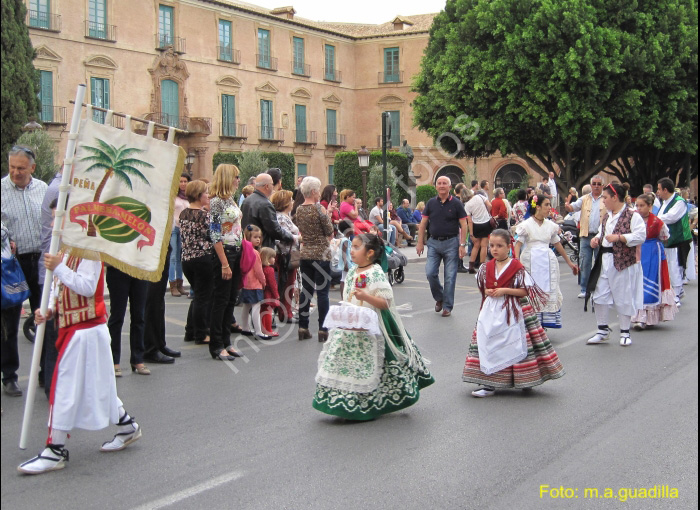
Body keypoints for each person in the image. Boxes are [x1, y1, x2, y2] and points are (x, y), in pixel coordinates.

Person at [18, 223, 141, 474]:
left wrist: (58, 268)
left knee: (63, 387)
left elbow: (86, 286)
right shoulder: (65, 250)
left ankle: (55, 449)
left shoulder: (89, 251)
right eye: (53, 220)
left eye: (59, 220)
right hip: (72, 329)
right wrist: (48, 310)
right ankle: (127, 426)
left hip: (87, 331)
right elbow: (59, 290)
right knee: (100, 386)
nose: (53, 226)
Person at [313, 233, 434, 419]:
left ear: (370, 253)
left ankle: (367, 403)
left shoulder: (375, 273)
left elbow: (386, 302)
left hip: (371, 327)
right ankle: (344, 402)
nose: (351, 251)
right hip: (350, 326)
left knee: (369, 365)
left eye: (355, 247)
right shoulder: (353, 271)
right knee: (344, 363)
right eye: (351, 247)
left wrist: (366, 297)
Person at [462, 229, 565, 397]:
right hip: (491, 311)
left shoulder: (516, 267)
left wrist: (505, 290)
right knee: (489, 341)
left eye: (499, 246)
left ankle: (525, 379)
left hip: (514, 309)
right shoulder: (486, 267)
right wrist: (488, 291)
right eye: (492, 246)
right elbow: (484, 287)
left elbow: (525, 291)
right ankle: (489, 383)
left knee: (517, 342)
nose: (494, 249)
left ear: (509, 247)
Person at [1, 146, 48, 396]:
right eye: (12, 167)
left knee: (44, 317)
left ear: (32, 167)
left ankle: (45, 372)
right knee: (8, 321)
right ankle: (9, 376)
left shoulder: (43, 189)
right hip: (12, 265)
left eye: (21, 168)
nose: (16, 172)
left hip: (41, 262)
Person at [585, 183, 646, 347]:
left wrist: (620, 238)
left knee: (623, 295)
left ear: (614, 197)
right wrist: (596, 239)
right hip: (605, 260)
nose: (603, 201)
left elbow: (641, 236)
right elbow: (601, 232)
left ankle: (625, 332)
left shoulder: (632, 215)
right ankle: (602, 329)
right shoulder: (607, 216)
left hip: (622, 261)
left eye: (605, 197)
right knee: (599, 294)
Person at [515, 194, 579, 329]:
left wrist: (569, 262)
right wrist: (516, 263)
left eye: (550, 205)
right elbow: (518, 244)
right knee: (531, 290)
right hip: (530, 261)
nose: (550, 207)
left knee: (547, 289)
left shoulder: (550, 225)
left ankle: (543, 323)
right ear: (537, 207)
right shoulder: (526, 225)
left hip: (547, 261)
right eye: (547, 205)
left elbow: (557, 244)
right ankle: (532, 323)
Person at [416, 176, 468, 317]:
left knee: (450, 276)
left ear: (450, 187)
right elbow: (423, 224)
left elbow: (464, 225)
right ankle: (439, 297)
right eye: (439, 183)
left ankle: (447, 307)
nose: (442, 185)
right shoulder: (431, 203)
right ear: (436, 187)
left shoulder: (457, 204)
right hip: (433, 243)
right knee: (430, 273)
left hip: (452, 243)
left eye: (445, 183)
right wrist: (420, 242)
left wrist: (462, 245)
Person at [208, 164, 244, 361]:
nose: (238, 180)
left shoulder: (229, 199)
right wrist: (223, 262)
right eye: (235, 177)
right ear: (227, 178)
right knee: (220, 300)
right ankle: (217, 345)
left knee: (231, 299)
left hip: (236, 251)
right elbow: (214, 234)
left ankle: (227, 341)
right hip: (225, 253)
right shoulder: (215, 203)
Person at [294, 177, 334, 342]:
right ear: (312, 191)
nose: (319, 193)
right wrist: (328, 214)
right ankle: (323, 329)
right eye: (318, 190)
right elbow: (329, 231)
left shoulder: (299, 210)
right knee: (323, 293)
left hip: (306, 254)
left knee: (306, 290)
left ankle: (303, 327)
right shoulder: (319, 209)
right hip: (321, 254)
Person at [631, 194, 677, 329]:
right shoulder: (633, 219)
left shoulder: (657, 221)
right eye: (637, 205)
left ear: (650, 206)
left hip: (652, 253)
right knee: (636, 282)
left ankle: (644, 318)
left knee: (648, 282)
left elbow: (665, 235)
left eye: (642, 205)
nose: (638, 208)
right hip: (637, 252)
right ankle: (637, 316)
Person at [180, 180, 214, 345]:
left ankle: (190, 330)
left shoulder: (183, 214)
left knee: (198, 295)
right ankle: (201, 333)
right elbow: (216, 235)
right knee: (203, 297)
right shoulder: (205, 215)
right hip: (203, 258)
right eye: (206, 193)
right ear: (199, 195)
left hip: (187, 259)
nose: (208, 196)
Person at [656, 177, 695, 304]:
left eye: (659, 189)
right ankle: (677, 290)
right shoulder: (665, 202)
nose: (658, 192)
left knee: (675, 267)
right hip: (667, 240)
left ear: (665, 190)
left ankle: (677, 294)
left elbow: (671, 217)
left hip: (678, 240)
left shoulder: (679, 202)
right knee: (668, 267)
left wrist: (654, 219)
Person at [566, 175, 606, 298]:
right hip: (585, 235)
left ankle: (600, 288)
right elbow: (573, 207)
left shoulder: (606, 198)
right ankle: (585, 289)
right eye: (594, 184)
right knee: (585, 262)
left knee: (601, 263)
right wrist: (568, 206)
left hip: (601, 236)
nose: (596, 186)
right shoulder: (584, 199)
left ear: (602, 186)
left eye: (599, 184)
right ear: (591, 185)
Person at [106, 266, 149, 376]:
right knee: (117, 317)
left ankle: (137, 359)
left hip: (139, 268)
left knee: (139, 317)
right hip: (118, 268)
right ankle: (114, 360)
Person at [142, 242, 180, 364]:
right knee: (152, 301)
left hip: (162, 248)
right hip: (151, 250)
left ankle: (159, 344)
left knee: (158, 301)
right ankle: (150, 348)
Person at [241, 173, 294, 250]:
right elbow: (274, 229)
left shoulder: (246, 201)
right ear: (267, 186)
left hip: (248, 245)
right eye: (272, 184)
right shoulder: (265, 204)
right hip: (263, 248)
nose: (273, 187)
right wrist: (291, 237)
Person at [271, 189, 300, 324]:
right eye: (291, 200)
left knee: (288, 283)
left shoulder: (285, 216)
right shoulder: (281, 217)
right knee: (286, 284)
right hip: (285, 255)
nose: (293, 202)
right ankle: (285, 312)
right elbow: (282, 237)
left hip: (288, 254)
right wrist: (298, 238)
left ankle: (285, 311)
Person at [238, 225, 270, 339]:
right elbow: (258, 270)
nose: (258, 239)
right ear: (248, 237)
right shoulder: (255, 253)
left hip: (246, 283)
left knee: (246, 306)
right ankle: (259, 331)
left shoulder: (244, 250)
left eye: (259, 237)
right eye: (255, 237)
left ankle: (245, 328)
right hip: (255, 284)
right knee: (256, 306)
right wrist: (264, 281)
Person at [169, 173, 190, 297]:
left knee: (180, 258)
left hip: (184, 229)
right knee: (172, 256)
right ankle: (172, 285)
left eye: (185, 181)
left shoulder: (189, 197)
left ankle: (180, 283)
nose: (183, 184)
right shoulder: (173, 196)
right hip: (173, 228)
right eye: (180, 181)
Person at [464, 182, 492, 272]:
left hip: (476, 225)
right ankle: (482, 265)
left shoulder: (467, 205)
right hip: (486, 222)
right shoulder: (480, 197)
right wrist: (487, 212)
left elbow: (470, 221)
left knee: (476, 246)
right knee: (484, 246)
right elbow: (490, 205)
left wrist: (471, 233)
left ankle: (471, 265)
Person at [260, 247, 280, 337]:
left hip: (262, 293)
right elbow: (273, 284)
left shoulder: (262, 268)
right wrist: (276, 295)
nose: (274, 259)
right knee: (268, 312)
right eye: (272, 257)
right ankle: (268, 330)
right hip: (269, 294)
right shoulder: (270, 270)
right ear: (267, 258)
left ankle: (262, 329)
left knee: (262, 311)